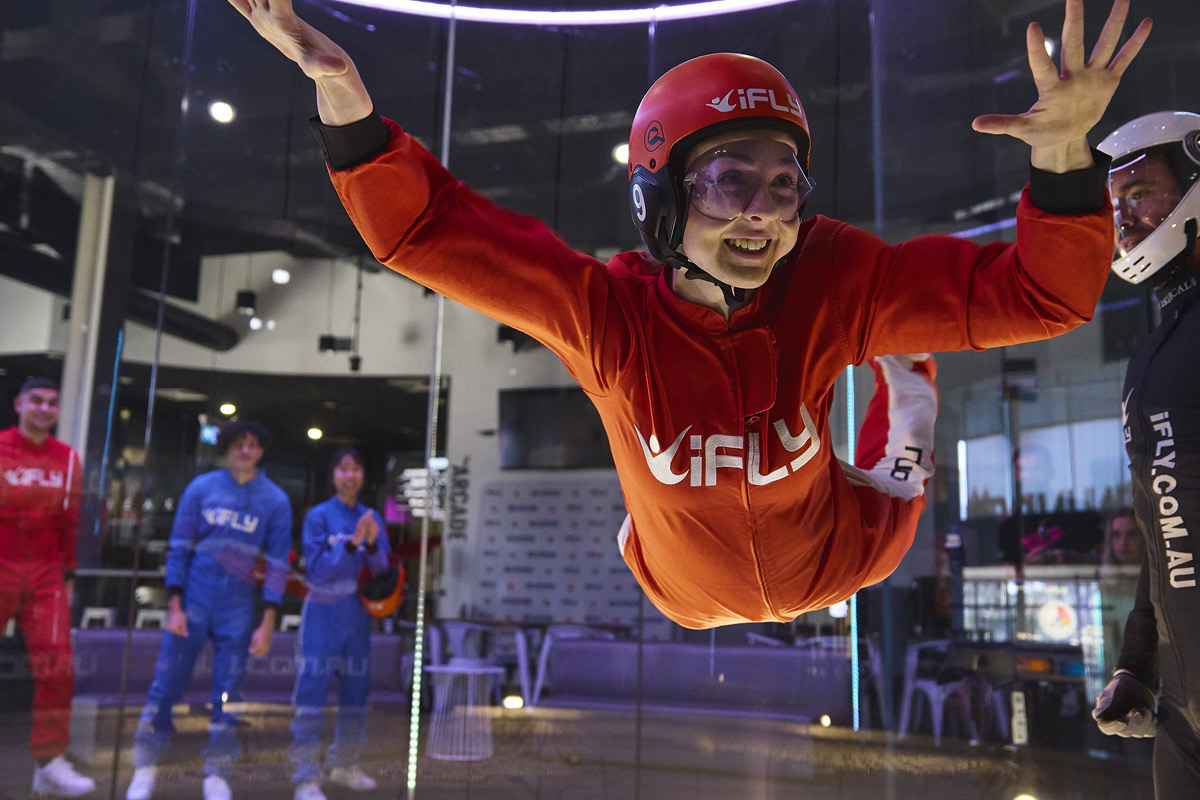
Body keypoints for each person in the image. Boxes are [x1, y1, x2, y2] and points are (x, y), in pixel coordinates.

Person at [229, 0, 1149, 629]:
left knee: (905, 430)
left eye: (782, 184)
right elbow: (432, 229)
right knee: (879, 391)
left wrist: (1065, 160)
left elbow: (1044, 296)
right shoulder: (606, 315)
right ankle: (897, 379)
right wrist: (345, 101)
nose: (759, 210)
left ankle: (907, 385)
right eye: (727, 180)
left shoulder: (833, 276)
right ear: (660, 201)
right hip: (683, 586)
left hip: (842, 551)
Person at [1091, 110, 1200, 800]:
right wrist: (1139, 662)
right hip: (1182, 718)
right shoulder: (1154, 349)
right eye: (1114, 204)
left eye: (1140, 193)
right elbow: (1162, 526)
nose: (1123, 218)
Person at [126, 420, 293, 800]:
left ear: (261, 451)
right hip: (193, 602)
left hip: (238, 607)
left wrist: (268, 621)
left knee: (228, 691)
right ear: (226, 448)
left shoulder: (275, 500)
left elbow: (279, 565)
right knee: (165, 684)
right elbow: (179, 547)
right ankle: (146, 763)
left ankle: (217, 771)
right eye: (238, 444)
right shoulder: (201, 489)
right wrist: (175, 605)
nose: (245, 451)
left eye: (253, 445)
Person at [0, 377, 95, 797]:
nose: (43, 408)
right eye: (35, 400)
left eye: (52, 403)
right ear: (19, 403)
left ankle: (49, 760)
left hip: (45, 575)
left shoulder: (69, 460)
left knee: (58, 666)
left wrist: (68, 577)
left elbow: (69, 524)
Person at [290, 447, 391, 800]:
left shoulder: (371, 516)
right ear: (333, 476)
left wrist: (374, 542)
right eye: (343, 469)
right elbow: (316, 569)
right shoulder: (317, 517)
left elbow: (383, 571)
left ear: (364, 476)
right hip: (321, 613)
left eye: (357, 468)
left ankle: (345, 765)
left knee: (355, 696)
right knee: (311, 693)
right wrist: (351, 545)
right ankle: (305, 777)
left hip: (358, 618)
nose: (350, 475)